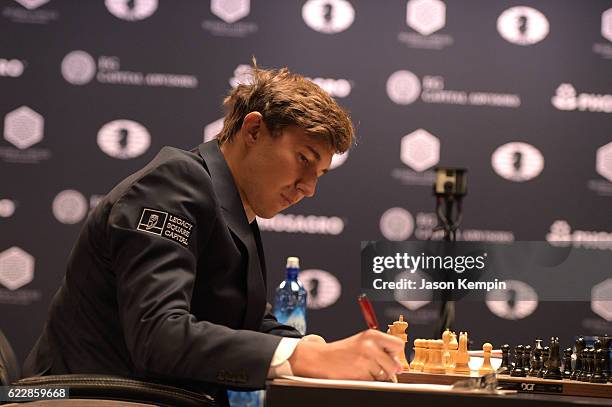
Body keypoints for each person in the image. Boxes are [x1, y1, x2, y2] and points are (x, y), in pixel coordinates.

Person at [23, 61, 403, 405]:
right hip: (86, 395)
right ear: (253, 129)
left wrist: (310, 346)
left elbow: (247, 321)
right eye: (303, 159)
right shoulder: (173, 185)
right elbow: (159, 337)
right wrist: (305, 358)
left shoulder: (233, 205)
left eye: (318, 175)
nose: (308, 188)